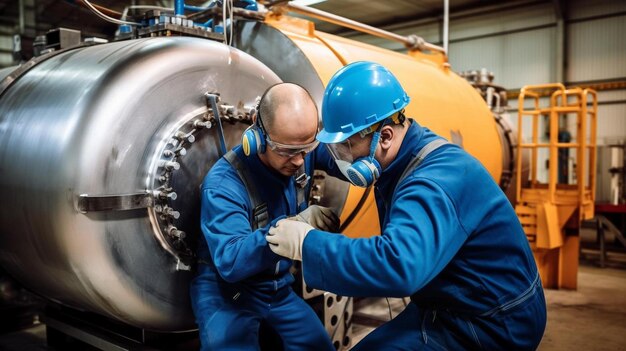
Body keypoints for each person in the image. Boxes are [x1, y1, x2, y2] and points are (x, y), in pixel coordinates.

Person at [266, 62, 547, 350]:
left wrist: (306, 243)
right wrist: (284, 150)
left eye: (345, 147)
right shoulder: (398, 157)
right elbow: (323, 156)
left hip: (490, 321)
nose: (340, 158)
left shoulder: (431, 182)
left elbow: (397, 264)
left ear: (385, 136)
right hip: (450, 298)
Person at [190, 82, 338, 351]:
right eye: (286, 151)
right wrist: (291, 228)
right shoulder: (225, 184)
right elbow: (231, 261)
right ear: (257, 132)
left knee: (318, 346)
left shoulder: (300, 148)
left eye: (305, 150)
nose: (298, 162)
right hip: (229, 294)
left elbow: (344, 155)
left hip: (278, 288)